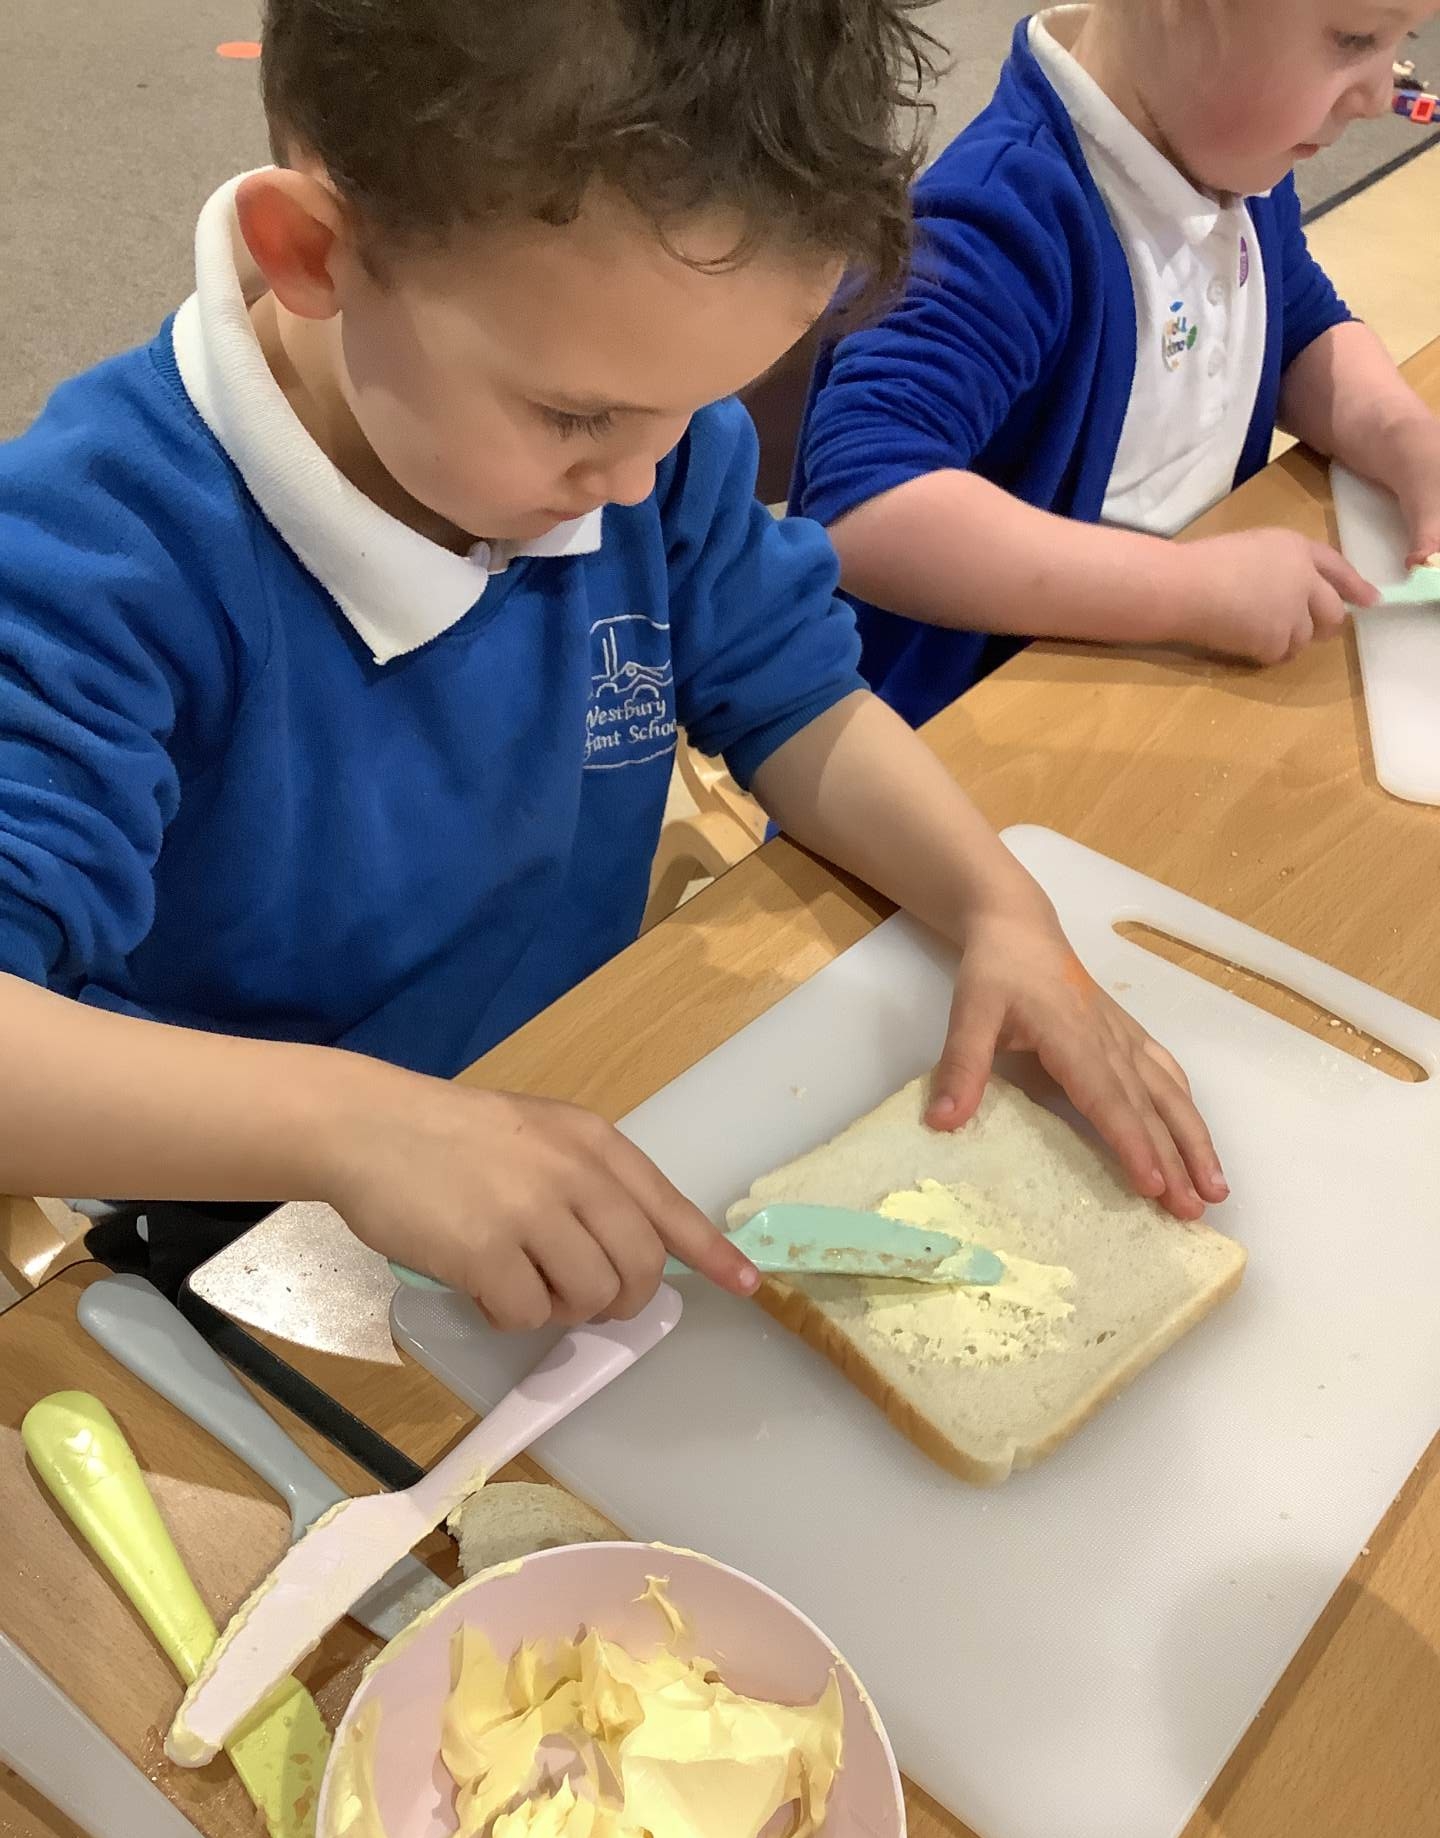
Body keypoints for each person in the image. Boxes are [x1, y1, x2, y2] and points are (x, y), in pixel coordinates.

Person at [0, 0, 1227, 1332]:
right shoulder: (94, 557)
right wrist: (356, 1128)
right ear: (313, 253)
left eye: (695, 408)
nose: (638, 482)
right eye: (575, 413)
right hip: (245, 1218)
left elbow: (799, 697)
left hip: (573, 1083)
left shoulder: (639, 450)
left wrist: (997, 907)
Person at [795, 0, 1440, 728]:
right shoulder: (999, 221)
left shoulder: (1235, 157)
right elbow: (865, 509)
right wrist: (1193, 590)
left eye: (1404, 41)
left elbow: (1299, 328)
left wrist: (1405, 436)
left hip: (1169, 672)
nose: (1381, 97)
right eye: (1355, 40)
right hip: (991, 724)